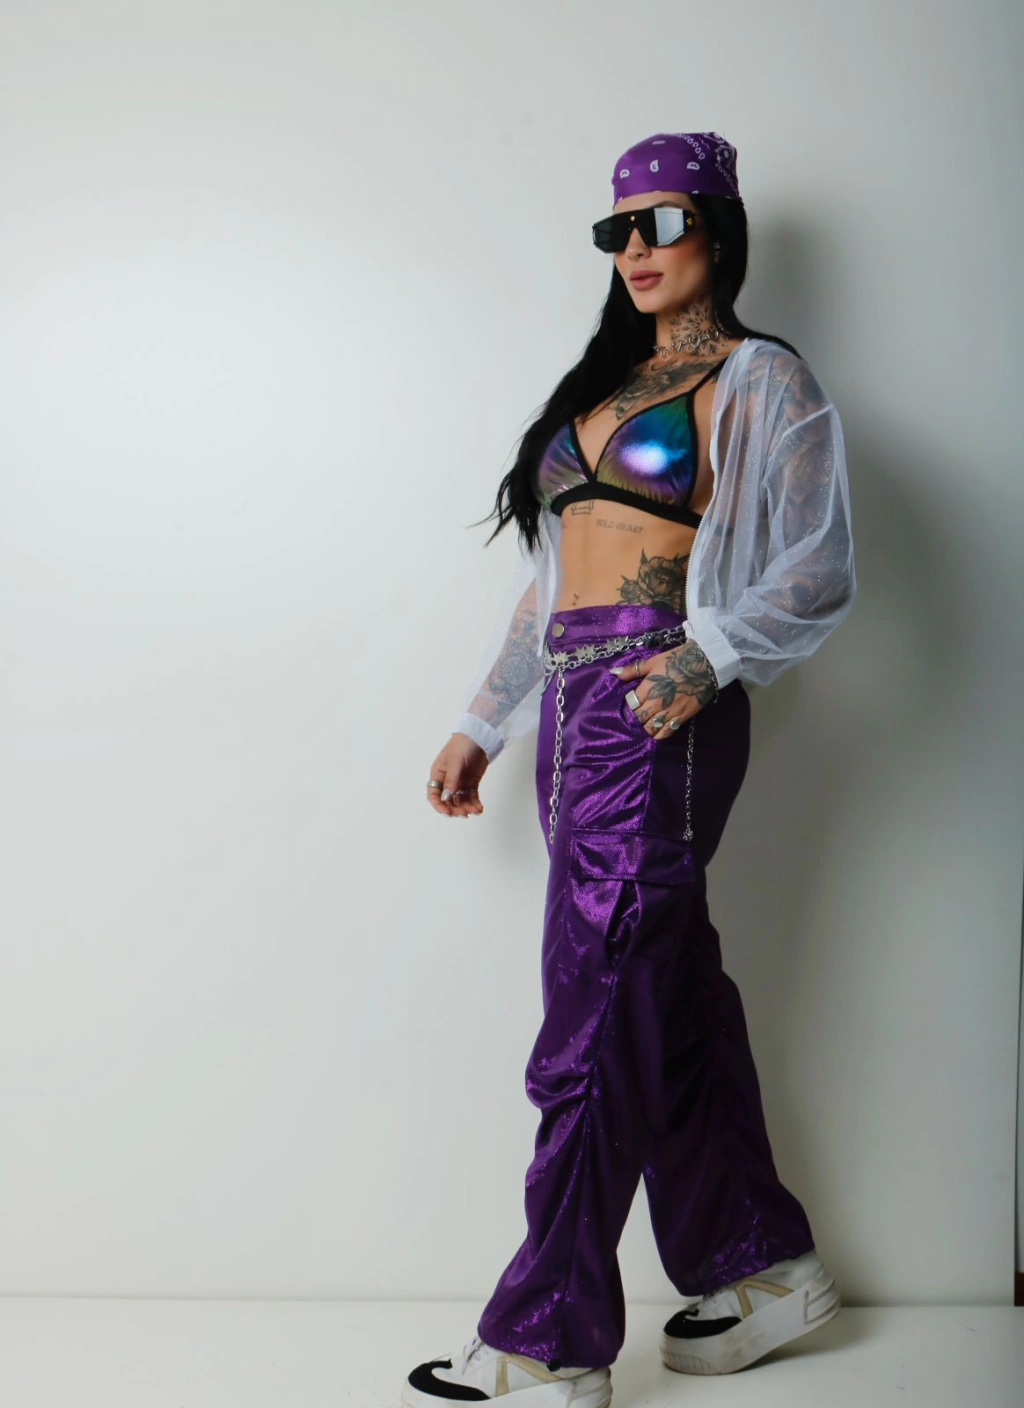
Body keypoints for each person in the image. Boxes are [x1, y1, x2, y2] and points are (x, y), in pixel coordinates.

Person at [403, 131, 857, 1408]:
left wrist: (708, 657)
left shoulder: (760, 379)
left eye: (661, 223)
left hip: (663, 705)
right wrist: (486, 719)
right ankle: (759, 1264)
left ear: (718, 228)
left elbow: (816, 564)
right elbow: (549, 584)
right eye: (618, 231)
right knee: (662, 988)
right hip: (573, 712)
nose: (637, 251)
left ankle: (549, 1338)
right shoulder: (603, 386)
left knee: (595, 1005)